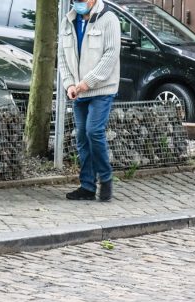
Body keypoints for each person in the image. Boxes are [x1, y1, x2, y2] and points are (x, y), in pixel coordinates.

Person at [59, 0, 120, 201]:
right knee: (82, 138)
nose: (78, 4)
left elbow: (110, 56)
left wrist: (87, 82)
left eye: (82, 1)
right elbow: (62, 57)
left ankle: (106, 178)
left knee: (94, 131)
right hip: (78, 90)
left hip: (102, 89)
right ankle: (87, 186)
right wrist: (69, 84)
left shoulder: (108, 19)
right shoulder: (67, 21)